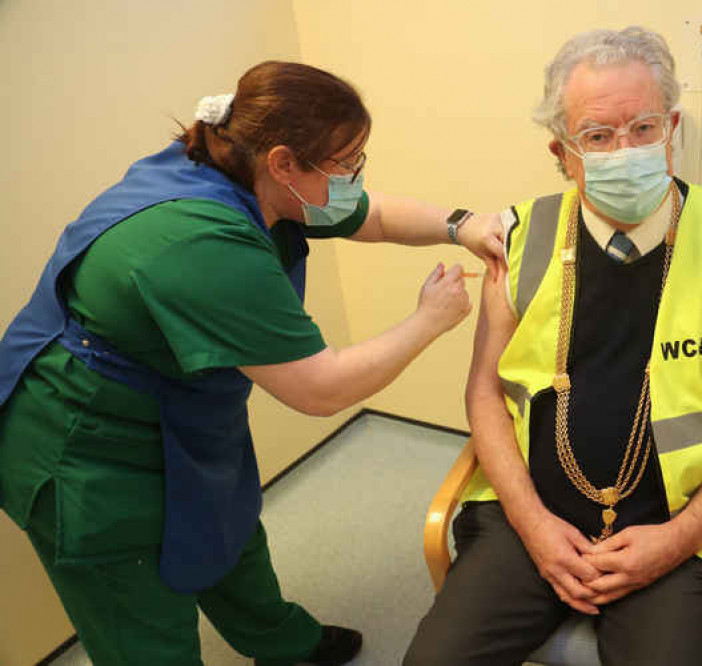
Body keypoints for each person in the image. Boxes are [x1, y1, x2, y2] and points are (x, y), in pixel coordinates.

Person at [0, 61, 503, 666]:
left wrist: (461, 225)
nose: (356, 176)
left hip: (181, 406)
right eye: (347, 162)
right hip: (83, 442)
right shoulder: (200, 242)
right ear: (284, 162)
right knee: (138, 616)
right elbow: (320, 388)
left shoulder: (248, 167)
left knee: (228, 529)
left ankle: (280, 641)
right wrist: (429, 319)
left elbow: (370, 215)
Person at [405, 27, 702, 666]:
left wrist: (677, 539)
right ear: (563, 152)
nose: (624, 149)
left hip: (679, 528)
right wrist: (533, 524)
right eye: (598, 136)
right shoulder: (519, 239)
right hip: (530, 518)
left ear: (674, 128)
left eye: (643, 127)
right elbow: (486, 393)